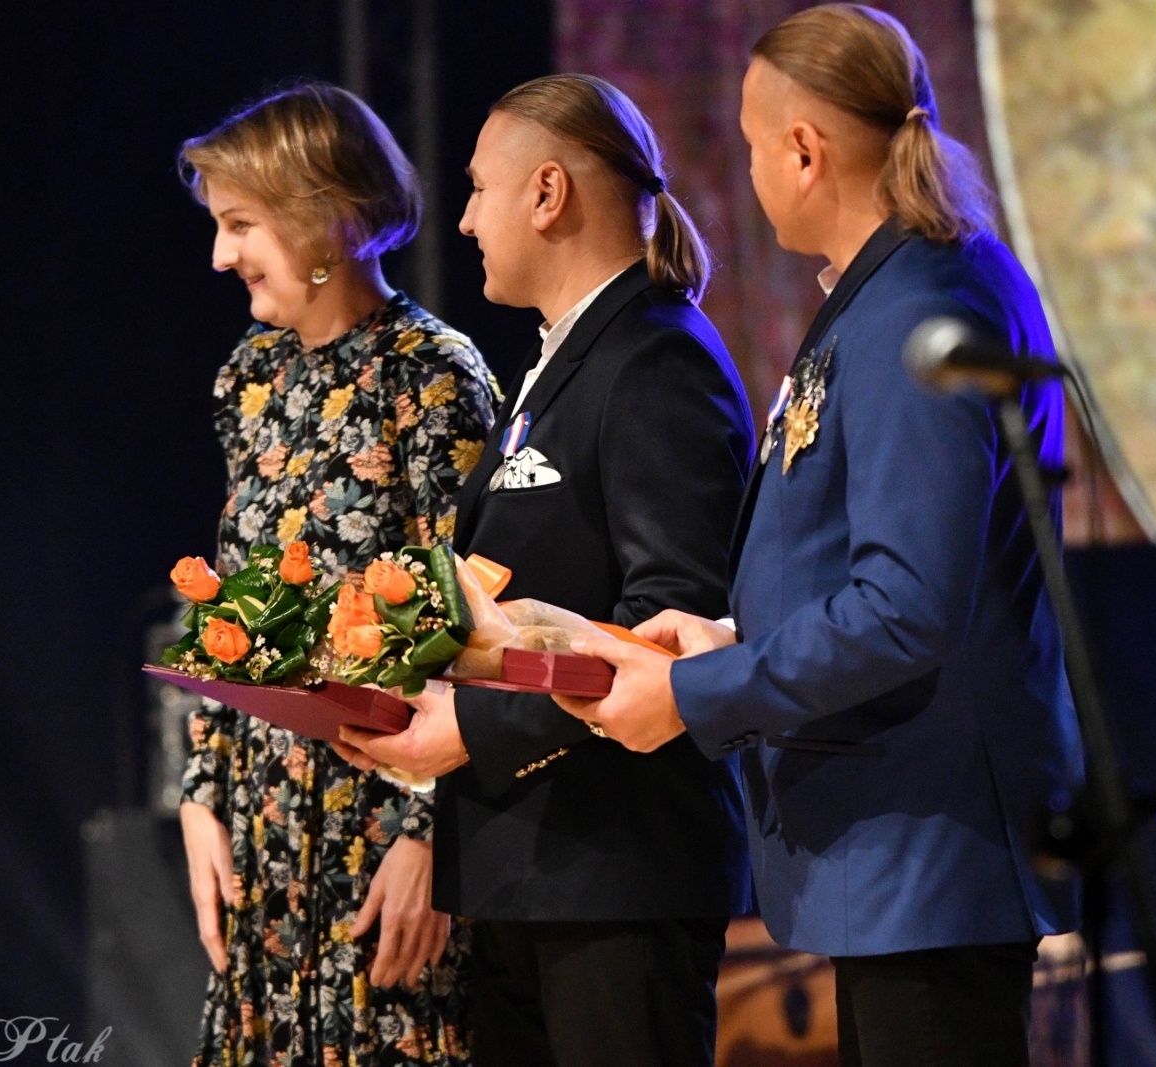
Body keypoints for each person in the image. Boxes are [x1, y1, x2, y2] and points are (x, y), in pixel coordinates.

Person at [552, 7, 1084, 1066]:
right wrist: (729, 637)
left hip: (929, 851)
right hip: (897, 851)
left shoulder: (916, 307)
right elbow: (860, 550)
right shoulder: (890, 290)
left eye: (753, 144)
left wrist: (698, 696)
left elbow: (907, 604)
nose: (747, 170)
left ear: (805, 151)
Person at [331, 75, 754, 1067]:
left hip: (616, 873)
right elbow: (509, 600)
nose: (467, 218)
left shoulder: (655, 362)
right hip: (530, 870)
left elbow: (663, 628)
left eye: (479, 188)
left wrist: (468, 725)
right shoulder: (563, 366)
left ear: (548, 193)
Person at [176, 83, 499, 1067]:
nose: (221, 254)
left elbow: (470, 612)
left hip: (377, 824)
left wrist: (426, 834)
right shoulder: (252, 373)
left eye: (241, 224)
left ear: (329, 218)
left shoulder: (430, 374)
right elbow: (239, 601)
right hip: (262, 816)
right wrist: (199, 791)